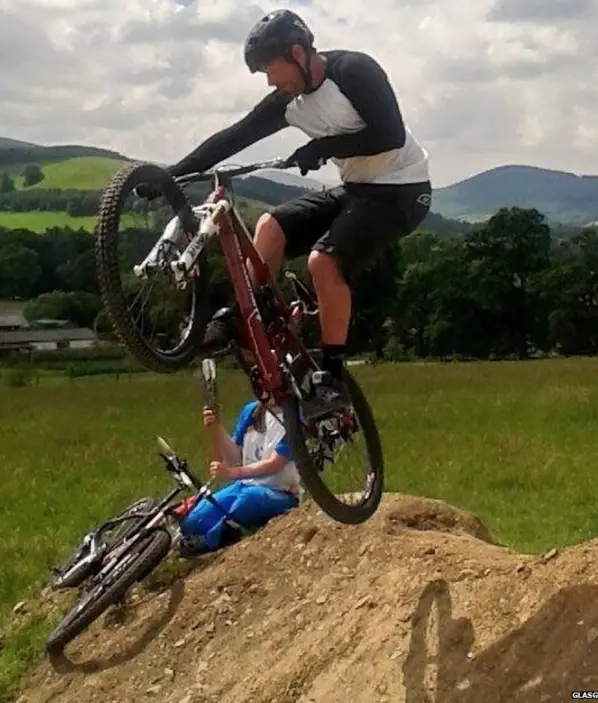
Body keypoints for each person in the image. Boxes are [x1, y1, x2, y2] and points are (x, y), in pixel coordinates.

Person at [136, 9, 432, 418]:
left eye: (270, 71)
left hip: (403, 191)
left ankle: (331, 378)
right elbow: (231, 138)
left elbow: (389, 134)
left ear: (297, 53)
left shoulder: (355, 71)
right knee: (269, 226)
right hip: (356, 189)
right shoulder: (289, 102)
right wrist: (168, 177)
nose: (271, 82)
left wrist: (323, 148)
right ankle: (250, 320)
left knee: (323, 262)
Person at [173, 398, 301, 558]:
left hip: (280, 492)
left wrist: (231, 473)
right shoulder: (251, 411)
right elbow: (235, 459)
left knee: (248, 499)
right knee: (193, 522)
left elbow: (274, 464)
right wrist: (216, 429)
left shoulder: (295, 416)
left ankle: (212, 539)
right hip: (244, 484)